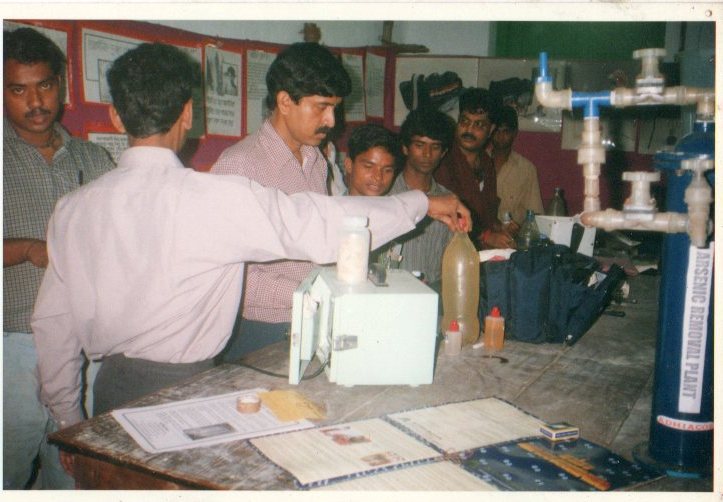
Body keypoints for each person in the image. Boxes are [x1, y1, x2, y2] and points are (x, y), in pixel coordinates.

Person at [30, 43, 470, 476]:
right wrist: (420, 203)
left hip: (110, 390)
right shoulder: (213, 197)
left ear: (116, 116)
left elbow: (53, 326)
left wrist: (69, 420)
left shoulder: (72, 209)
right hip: (184, 392)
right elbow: (315, 225)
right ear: (188, 113)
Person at [3, 27, 115, 490]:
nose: (35, 101)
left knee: (71, 473)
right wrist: (28, 249)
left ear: (63, 85)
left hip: (85, 346)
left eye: (45, 85)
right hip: (13, 345)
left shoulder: (95, 158)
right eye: (18, 89)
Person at [211, 42, 352, 360]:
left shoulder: (316, 159)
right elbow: (229, 275)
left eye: (335, 108)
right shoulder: (239, 166)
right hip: (258, 330)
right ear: (285, 102)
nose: (331, 120)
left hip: (311, 318)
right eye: (321, 107)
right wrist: (306, 294)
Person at [385, 108, 455, 293]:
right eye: (419, 144)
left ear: (444, 152)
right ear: (405, 147)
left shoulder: (448, 201)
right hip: (389, 295)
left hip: (435, 295)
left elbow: (452, 263)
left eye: (435, 146)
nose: (427, 154)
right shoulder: (385, 195)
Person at [435, 88, 514, 250]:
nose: (469, 130)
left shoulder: (486, 163)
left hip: (476, 251)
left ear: (491, 129)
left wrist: (501, 227)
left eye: (478, 124)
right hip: (446, 248)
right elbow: (447, 212)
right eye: (464, 121)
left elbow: (486, 212)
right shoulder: (443, 159)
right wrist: (487, 236)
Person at [491, 105, 543, 226]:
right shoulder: (479, 162)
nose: (500, 136)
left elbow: (535, 214)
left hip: (513, 237)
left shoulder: (527, 169)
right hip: (483, 235)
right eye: (496, 131)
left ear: (514, 133)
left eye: (506, 131)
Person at [342, 123, 400, 197]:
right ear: (349, 165)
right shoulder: (332, 207)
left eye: (387, 170)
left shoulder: (398, 207)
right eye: (368, 166)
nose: (378, 177)